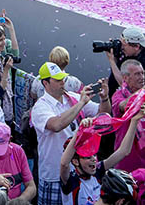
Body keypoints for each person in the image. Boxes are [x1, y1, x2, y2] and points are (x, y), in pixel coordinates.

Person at [32, 62, 110, 205]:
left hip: (78, 173)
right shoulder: (40, 107)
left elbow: (103, 114)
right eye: (57, 80)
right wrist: (80, 104)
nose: (63, 82)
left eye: (63, 78)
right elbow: (57, 125)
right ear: (45, 83)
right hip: (54, 175)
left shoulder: (72, 97)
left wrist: (104, 98)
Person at [59, 106, 145, 205]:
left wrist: (134, 121)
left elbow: (124, 151)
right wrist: (79, 133)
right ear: (75, 161)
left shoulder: (98, 171)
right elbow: (64, 163)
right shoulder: (72, 180)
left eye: (94, 155)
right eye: (88, 157)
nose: (93, 159)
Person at [105, 28, 145, 95]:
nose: (121, 48)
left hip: (132, 101)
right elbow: (118, 70)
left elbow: (125, 85)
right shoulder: (130, 52)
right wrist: (115, 55)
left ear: (136, 47)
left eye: (123, 46)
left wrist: (111, 60)